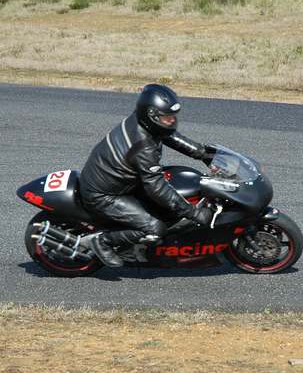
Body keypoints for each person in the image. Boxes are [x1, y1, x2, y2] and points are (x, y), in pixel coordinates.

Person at [78, 84, 215, 267]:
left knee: (170, 205)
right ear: (151, 115)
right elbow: (156, 187)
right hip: (104, 196)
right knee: (155, 228)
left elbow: (168, 135)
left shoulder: (143, 122)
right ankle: (102, 241)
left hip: (121, 181)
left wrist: (203, 154)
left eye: (173, 116)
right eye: (167, 117)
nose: (172, 121)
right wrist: (193, 213)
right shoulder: (143, 147)